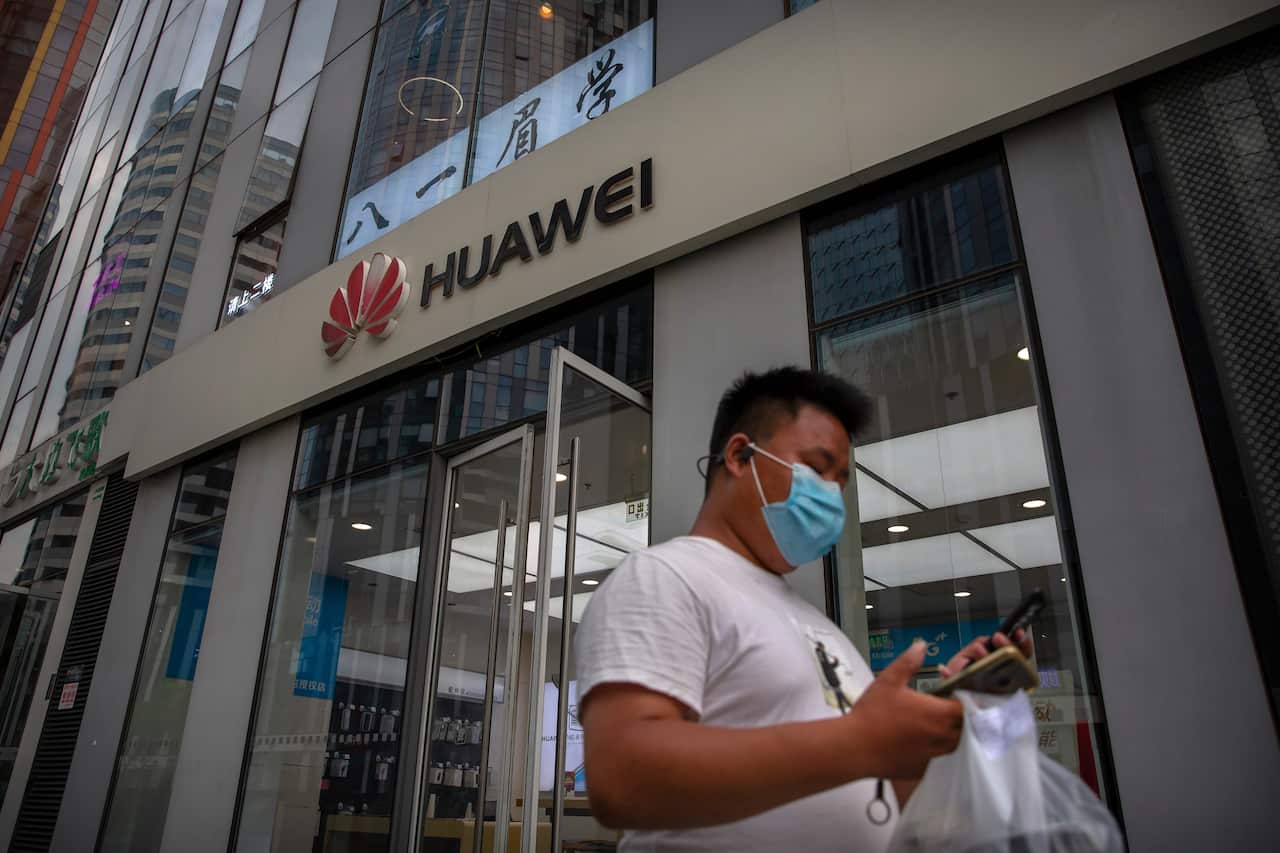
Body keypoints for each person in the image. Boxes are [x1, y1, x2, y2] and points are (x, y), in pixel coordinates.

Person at [574, 367, 1030, 851]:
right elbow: (623, 777)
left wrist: (942, 714)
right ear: (740, 456)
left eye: (840, 481)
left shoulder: (815, 624)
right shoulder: (664, 578)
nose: (832, 494)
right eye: (816, 468)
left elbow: (880, 797)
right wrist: (858, 741)